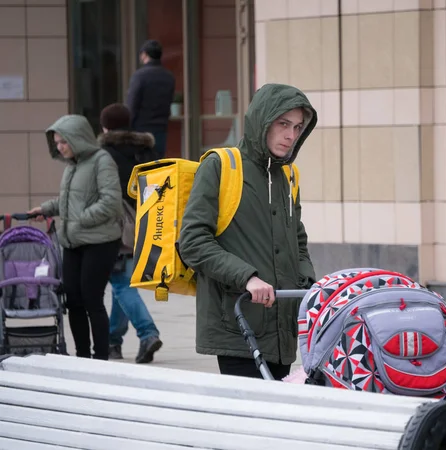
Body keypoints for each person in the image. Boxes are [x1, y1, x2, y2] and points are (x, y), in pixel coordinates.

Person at [178, 83, 318, 380]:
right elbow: (192, 241)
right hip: (237, 326)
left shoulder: (288, 176)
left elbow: (298, 240)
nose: (291, 135)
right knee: (247, 417)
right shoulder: (221, 165)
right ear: (263, 120)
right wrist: (247, 277)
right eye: (283, 124)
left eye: (297, 126)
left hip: (283, 327)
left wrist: (308, 284)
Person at [28, 115, 123, 360]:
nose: (60, 147)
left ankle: (100, 357)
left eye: (64, 141)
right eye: (57, 142)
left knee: (92, 299)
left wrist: (80, 218)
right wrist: (46, 209)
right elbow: (71, 202)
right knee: (73, 301)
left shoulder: (102, 161)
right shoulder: (73, 165)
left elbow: (111, 202)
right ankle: (82, 356)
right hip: (73, 241)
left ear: (78, 139)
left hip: (100, 242)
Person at [98, 103, 163, 364]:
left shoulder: (105, 154)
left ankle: (148, 333)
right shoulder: (147, 150)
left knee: (121, 283)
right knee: (121, 285)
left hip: (118, 228)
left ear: (106, 126)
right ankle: (113, 341)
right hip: (147, 225)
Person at [126, 39, 175, 158]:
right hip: (161, 127)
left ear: (144, 55)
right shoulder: (169, 77)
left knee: (141, 166)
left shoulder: (139, 76)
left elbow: (132, 103)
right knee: (158, 165)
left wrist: (127, 127)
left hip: (140, 129)